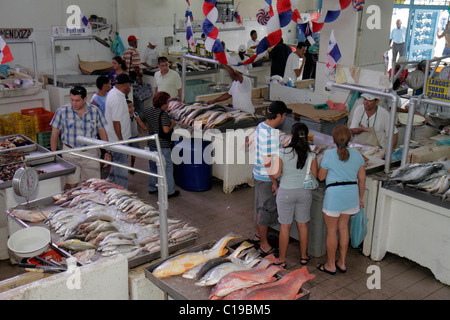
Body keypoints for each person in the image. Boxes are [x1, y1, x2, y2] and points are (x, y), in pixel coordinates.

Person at [316, 125, 366, 275]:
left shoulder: (329, 154)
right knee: (344, 229)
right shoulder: (358, 155)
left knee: (332, 231)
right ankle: (342, 263)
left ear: (334, 139)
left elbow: (321, 177)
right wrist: (360, 197)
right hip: (351, 195)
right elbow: (362, 178)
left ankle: (330, 264)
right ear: (349, 139)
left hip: (334, 196)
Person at [272, 122, 318, 267]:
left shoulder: (282, 152)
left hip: (285, 192)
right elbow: (315, 175)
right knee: (303, 225)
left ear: (292, 135)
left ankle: (282, 260)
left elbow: (277, 174)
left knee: (285, 226)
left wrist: (270, 171)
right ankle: (304, 256)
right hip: (304, 193)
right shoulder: (311, 154)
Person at [50, 86, 111, 190]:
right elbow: (54, 134)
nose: (74, 103)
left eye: (77, 101)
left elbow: (102, 132)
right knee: (72, 184)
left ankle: (90, 205)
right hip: (70, 152)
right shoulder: (62, 111)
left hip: (90, 153)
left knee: (93, 185)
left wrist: (107, 151)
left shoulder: (95, 111)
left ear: (85, 99)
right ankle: (67, 200)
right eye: (72, 100)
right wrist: (53, 154)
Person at [253, 100, 291, 257]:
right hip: (266, 177)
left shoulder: (261, 126)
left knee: (259, 207)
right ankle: (264, 245)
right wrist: (274, 182)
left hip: (258, 173)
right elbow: (268, 161)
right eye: (284, 115)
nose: (285, 118)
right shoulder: (269, 134)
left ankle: (258, 235)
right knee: (266, 211)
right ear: (279, 115)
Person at [140, 91, 180, 198]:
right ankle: (169, 191)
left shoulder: (148, 110)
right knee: (167, 167)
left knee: (153, 166)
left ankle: (152, 187)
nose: (168, 104)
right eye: (167, 102)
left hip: (151, 143)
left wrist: (146, 129)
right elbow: (166, 130)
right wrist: (172, 124)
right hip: (162, 145)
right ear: (163, 103)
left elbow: (139, 118)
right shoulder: (163, 114)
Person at [104, 73, 132, 189]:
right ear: (126, 85)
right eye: (129, 85)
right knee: (121, 167)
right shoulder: (116, 99)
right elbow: (116, 122)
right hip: (118, 139)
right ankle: (122, 190)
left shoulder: (114, 93)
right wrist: (121, 141)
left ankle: (110, 182)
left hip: (116, 137)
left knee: (117, 163)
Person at [127, 99, 148, 173]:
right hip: (127, 137)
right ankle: (124, 165)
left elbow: (140, 123)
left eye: (132, 106)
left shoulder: (135, 114)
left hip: (135, 136)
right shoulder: (124, 116)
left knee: (134, 152)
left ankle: (132, 167)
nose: (132, 108)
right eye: (129, 107)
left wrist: (145, 128)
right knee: (125, 153)